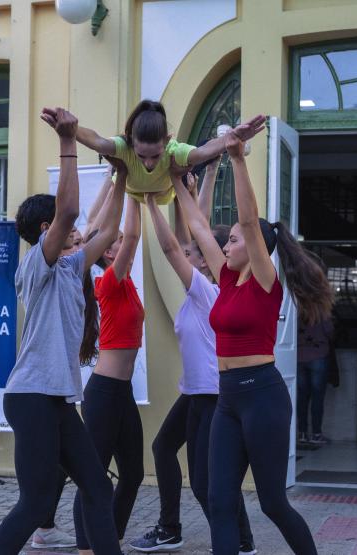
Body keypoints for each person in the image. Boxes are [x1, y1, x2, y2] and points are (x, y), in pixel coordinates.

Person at [0, 107, 126, 555]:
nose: (75, 225)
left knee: (98, 490)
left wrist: (124, 176)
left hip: (57, 400)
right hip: (31, 398)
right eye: (65, 224)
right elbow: (68, 209)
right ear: (49, 231)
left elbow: (106, 231)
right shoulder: (37, 266)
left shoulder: (70, 267)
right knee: (35, 503)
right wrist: (68, 142)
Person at [180, 130, 326, 555]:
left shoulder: (266, 281)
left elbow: (247, 219)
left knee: (272, 503)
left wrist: (238, 158)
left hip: (263, 396)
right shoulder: (225, 276)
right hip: (228, 399)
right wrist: (174, 181)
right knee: (220, 501)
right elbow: (196, 226)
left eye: (236, 241)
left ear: (258, 246)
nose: (227, 244)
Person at [130, 170, 256, 554]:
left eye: (193, 253)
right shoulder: (208, 287)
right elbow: (194, 230)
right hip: (199, 392)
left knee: (205, 483)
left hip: (212, 396)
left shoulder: (206, 290)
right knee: (165, 447)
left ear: (204, 261)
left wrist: (150, 200)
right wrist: (197, 184)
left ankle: (241, 541)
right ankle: (172, 528)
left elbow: (173, 248)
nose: (186, 252)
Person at [73, 194, 145, 555]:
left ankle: (108, 539)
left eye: (117, 240)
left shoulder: (126, 281)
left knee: (133, 474)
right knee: (93, 475)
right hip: (102, 393)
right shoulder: (108, 283)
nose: (121, 243)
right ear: (109, 255)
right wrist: (135, 192)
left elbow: (129, 238)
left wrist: (128, 188)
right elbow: (131, 237)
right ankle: (86, 547)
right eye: (113, 243)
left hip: (122, 392)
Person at [74, 100, 266, 204]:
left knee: (192, 166)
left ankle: (213, 164)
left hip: (164, 194)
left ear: (166, 141)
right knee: (128, 237)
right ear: (131, 141)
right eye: (142, 156)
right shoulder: (124, 146)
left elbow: (202, 151)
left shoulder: (173, 149)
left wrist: (228, 139)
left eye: (155, 156)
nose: (148, 163)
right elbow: (97, 141)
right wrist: (71, 130)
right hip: (130, 191)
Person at [296, 287, 335, 445]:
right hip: (318, 355)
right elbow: (330, 331)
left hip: (299, 356)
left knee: (302, 397)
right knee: (317, 397)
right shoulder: (321, 309)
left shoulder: (296, 308)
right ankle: (317, 434)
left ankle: (303, 433)